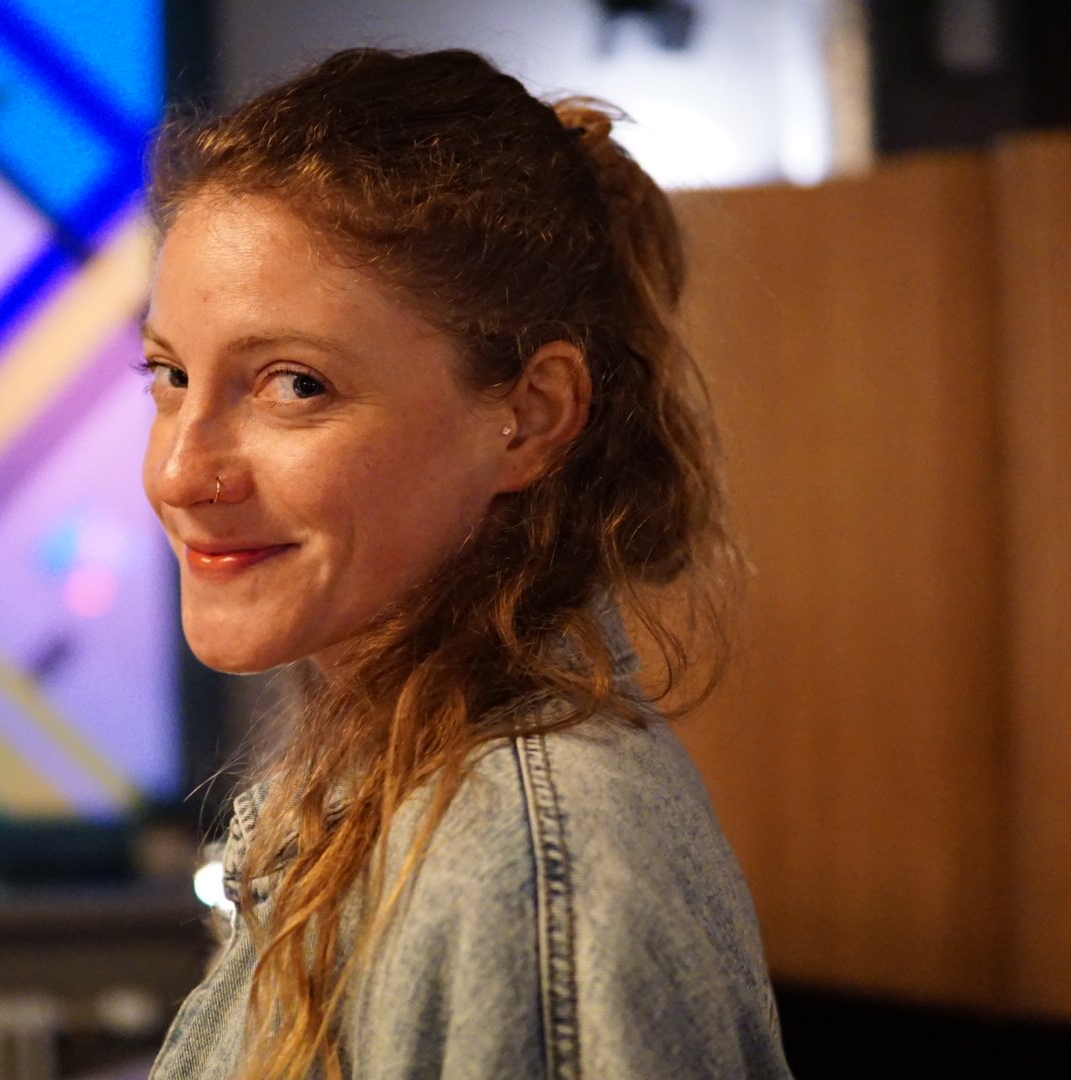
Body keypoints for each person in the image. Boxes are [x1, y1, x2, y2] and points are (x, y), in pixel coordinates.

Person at [138, 48, 792, 1080]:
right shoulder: (381, 793)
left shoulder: (523, 870)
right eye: (170, 375)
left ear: (527, 419)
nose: (180, 471)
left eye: (293, 385)